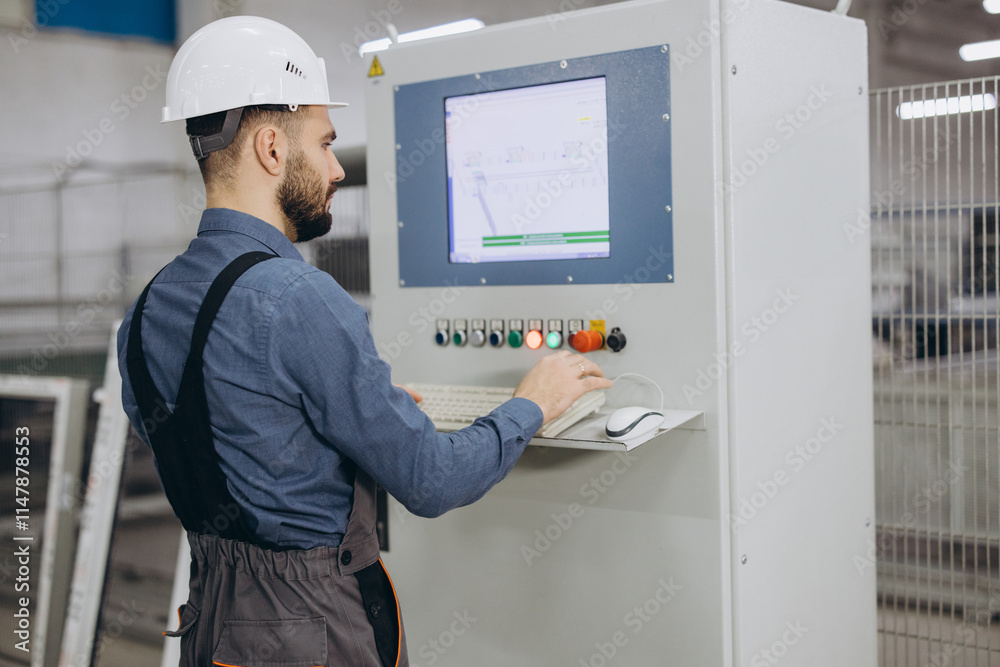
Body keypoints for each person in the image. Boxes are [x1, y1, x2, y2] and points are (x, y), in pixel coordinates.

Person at [116, 15, 613, 667]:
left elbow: (216, 435)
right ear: (271, 149)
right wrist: (533, 403)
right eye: (325, 143)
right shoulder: (301, 299)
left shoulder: (146, 308)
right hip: (313, 632)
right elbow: (431, 481)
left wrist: (342, 413)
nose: (336, 169)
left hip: (212, 624)